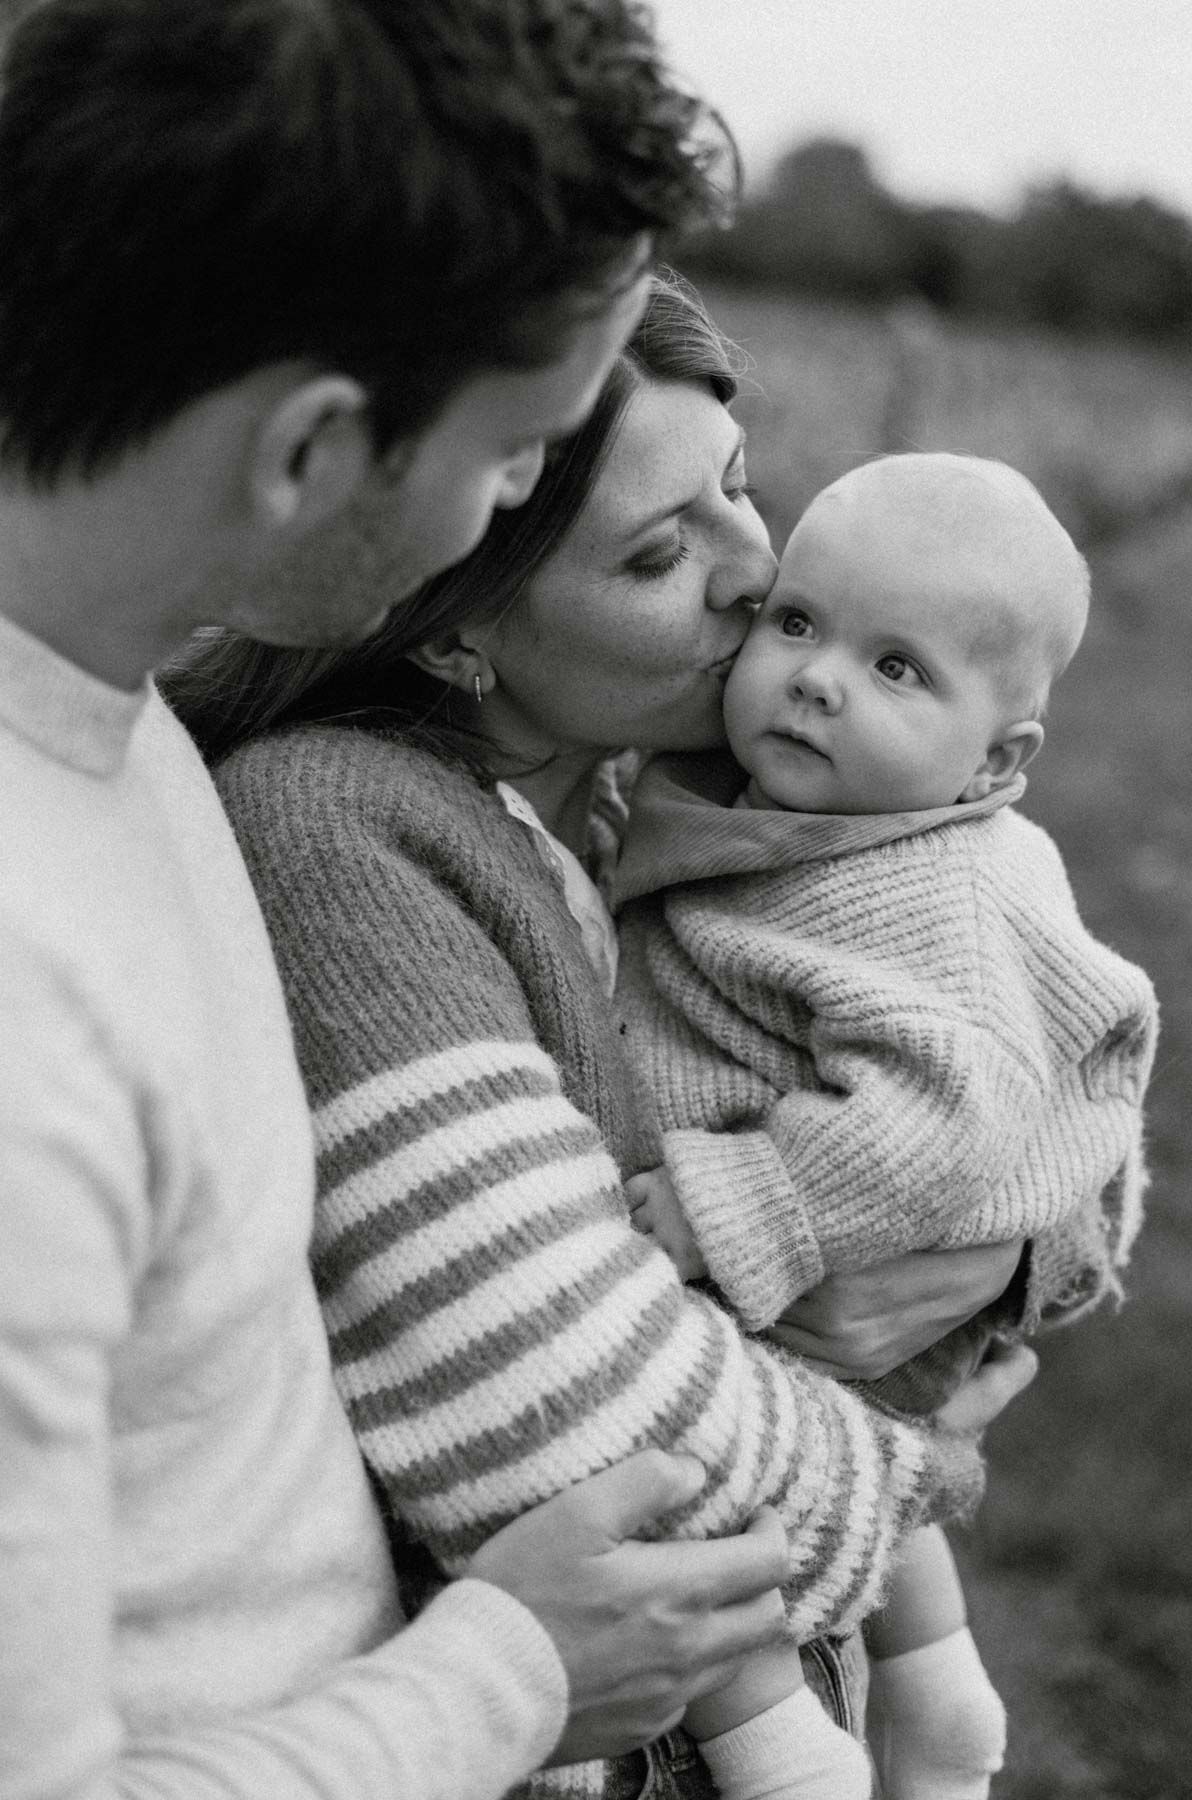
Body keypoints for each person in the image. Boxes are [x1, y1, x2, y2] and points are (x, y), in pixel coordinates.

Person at [0, 7, 815, 1798]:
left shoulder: (109, 719)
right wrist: (515, 1676)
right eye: (519, 451)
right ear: (307, 451)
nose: (513, 500)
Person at [168, 278, 1037, 1800]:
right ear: (455, 628)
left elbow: (1040, 1055)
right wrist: (920, 1464)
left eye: (738, 488)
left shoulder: (704, 814)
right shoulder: (340, 830)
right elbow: (563, 1396)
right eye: (658, 553)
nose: (758, 572)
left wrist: (999, 1257)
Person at [612, 452, 1159, 1799]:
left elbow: (939, 1119)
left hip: (843, 1246)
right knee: (824, 1441)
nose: (816, 677)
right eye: (798, 623)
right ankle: (942, 1688)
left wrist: (725, 1208)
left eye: (897, 668)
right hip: (876, 1292)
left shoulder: (925, 894)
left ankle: (774, 1744)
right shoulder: (798, 815)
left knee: (671, 1450)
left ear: (1001, 756)